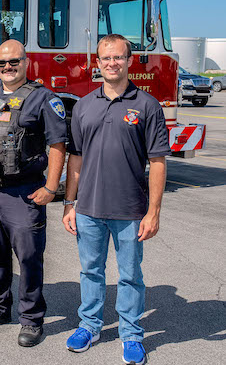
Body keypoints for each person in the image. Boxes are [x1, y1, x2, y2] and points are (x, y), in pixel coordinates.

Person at [62, 34, 170, 365]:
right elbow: (76, 158)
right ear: (97, 63)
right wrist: (69, 204)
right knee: (91, 271)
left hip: (130, 210)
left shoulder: (147, 105)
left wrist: (153, 212)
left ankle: (131, 334)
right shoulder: (83, 106)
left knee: (130, 275)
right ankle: (90, 326)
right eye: (106, 58)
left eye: (119, 57)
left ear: (129, 61)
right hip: (89, 210)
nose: (112, 63)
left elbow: (158, 163)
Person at [0, 39, 67, 347]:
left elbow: (59, 144)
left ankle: (32, 319)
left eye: (14, 62)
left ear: (26, 62)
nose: (8, 68)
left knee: (29, 257)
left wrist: (51, 187)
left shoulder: (44, 98)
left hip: (24, 192)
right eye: (2, 63)